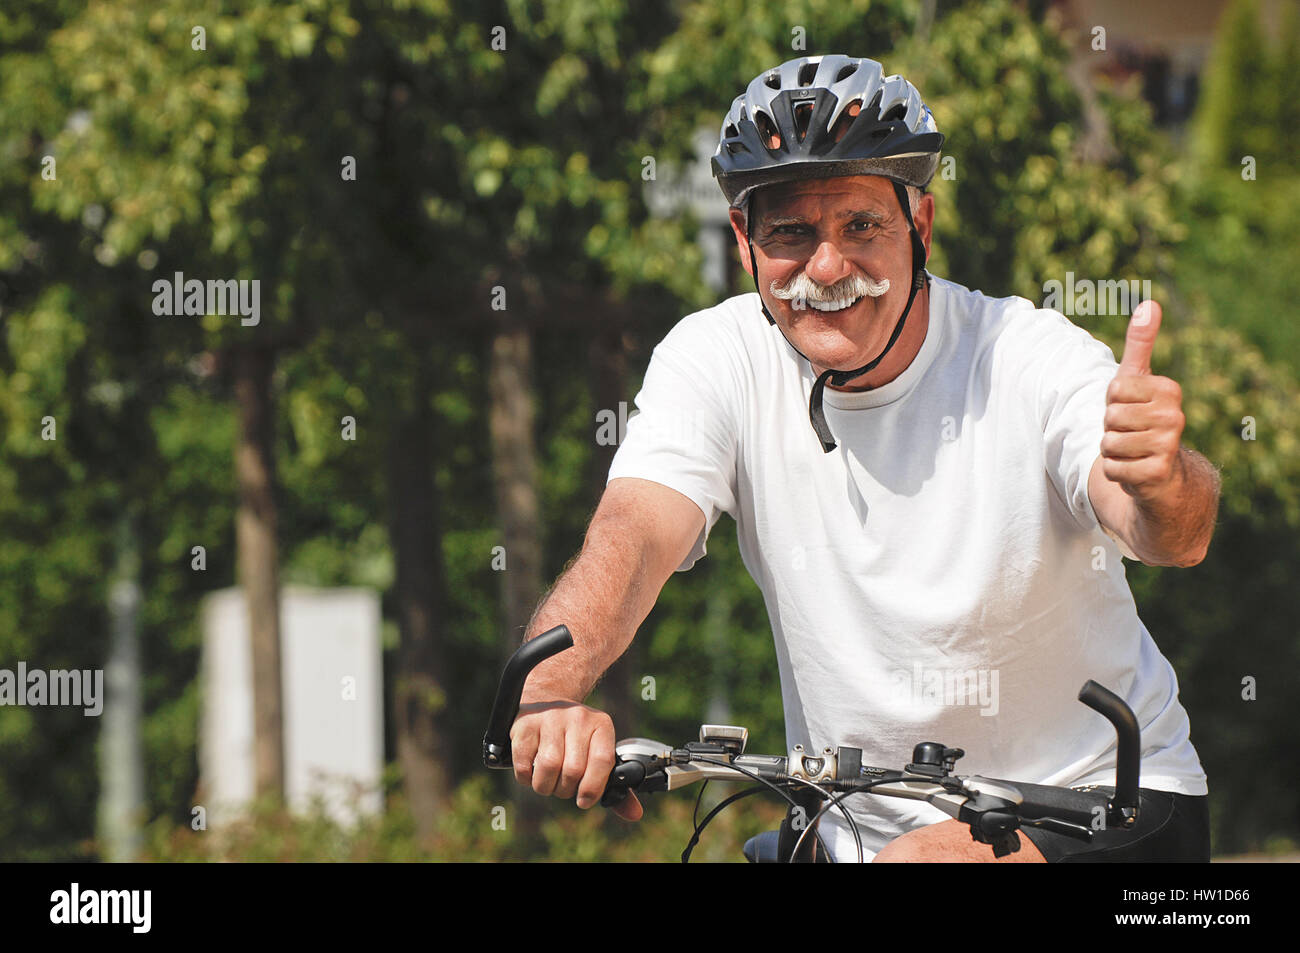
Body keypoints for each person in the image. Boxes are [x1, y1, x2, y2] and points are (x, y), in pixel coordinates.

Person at [508, 54, 1220, 861]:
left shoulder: (1024, 355)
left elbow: (1171, 534)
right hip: (852, 824)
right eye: (790, 232)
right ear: (745, 240)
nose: (826, 268)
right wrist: (549, 692)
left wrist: (1158, 479)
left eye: (861, 226)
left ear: (918, 227)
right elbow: (635, 532)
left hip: (1099, 802)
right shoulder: (718, 357)